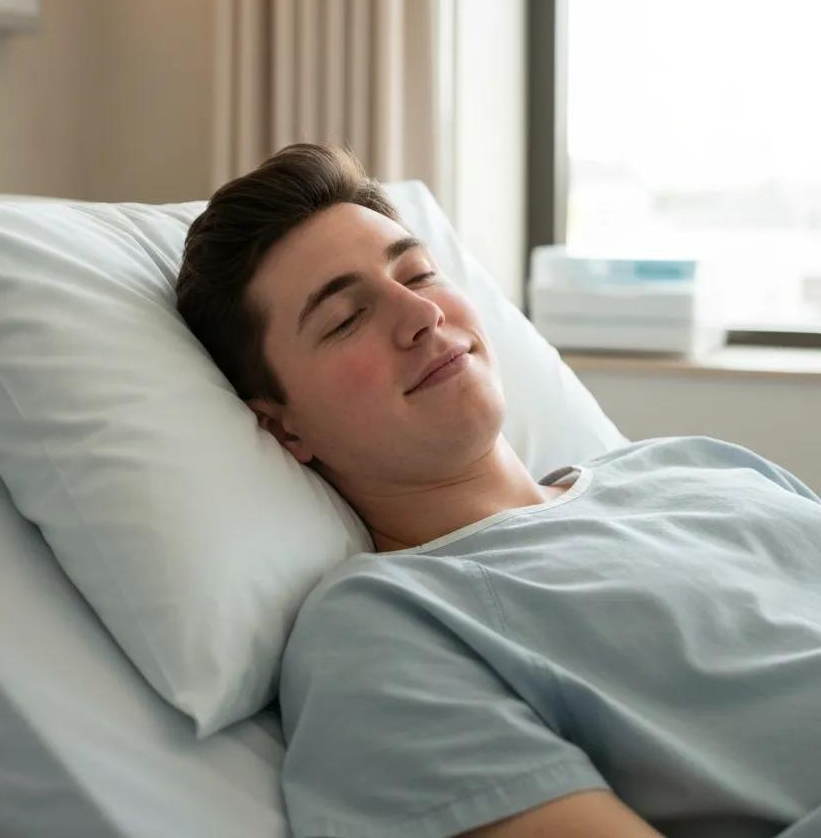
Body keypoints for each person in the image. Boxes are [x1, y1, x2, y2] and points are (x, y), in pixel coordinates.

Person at [175, 142, 821, 838]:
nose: (420, 315)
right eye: (345, 319)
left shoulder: (697, 466)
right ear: (284, 427)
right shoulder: (383, 629)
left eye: (418, 275)